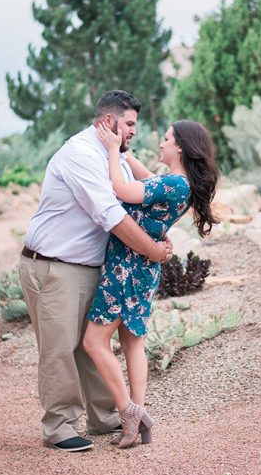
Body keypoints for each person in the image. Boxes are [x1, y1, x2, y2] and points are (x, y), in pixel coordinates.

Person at [18, 90, 174, 453]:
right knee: (59, 348)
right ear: (109, 122)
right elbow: (111, 215)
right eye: (130, 123)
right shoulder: (79, 155)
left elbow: (138, 201)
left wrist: (162, 237)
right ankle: (59, 426)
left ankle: (104, 415)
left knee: (90, 346)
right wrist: (154, 252)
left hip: (89, 265)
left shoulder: (112, 155)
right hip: (53, 265)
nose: (135, 130)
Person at [82, 118, 219, 448]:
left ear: (180, 147)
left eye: (167, 139)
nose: (161, 143)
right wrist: (125, 152)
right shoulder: (176, 183)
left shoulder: (175, 184)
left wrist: (114, 150)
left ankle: (129, 411)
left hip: (125, 269)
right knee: (132, 343)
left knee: (93, 342)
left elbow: (121, 190)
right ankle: (138, 419)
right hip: (143, 269)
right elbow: (145, 178)